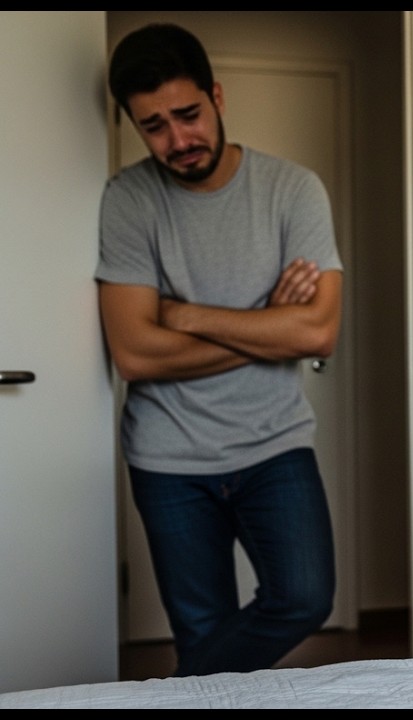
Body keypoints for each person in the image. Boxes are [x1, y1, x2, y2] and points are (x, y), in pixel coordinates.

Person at [96, 23, 343, 676]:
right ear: (131, 125)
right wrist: (267, 323)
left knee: (304, 597)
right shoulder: (127, 200)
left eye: (188, 114)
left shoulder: (293, 190)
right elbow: (136, 354)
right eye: (153, 126)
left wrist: (184, 314)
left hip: (274, 443)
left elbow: (317, 333)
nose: (178, 140)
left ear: (217, 96)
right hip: (167, 455)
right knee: (201, 629)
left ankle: (178, 692)